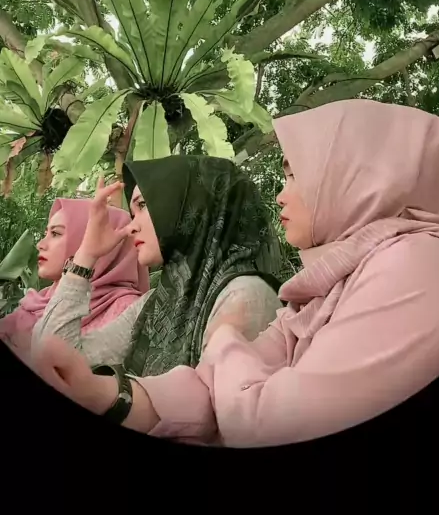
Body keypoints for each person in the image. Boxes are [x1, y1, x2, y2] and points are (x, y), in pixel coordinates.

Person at [33, 99, 439, 447]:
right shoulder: (325, 287)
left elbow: (272, 423)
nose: (281, 196)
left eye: (294, 174)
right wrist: (105, 395)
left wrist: (225, 340)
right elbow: (210, 390)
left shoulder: (418, 265)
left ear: (359, 175)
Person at [31, 156, 283, 373]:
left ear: (189, 206)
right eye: (133, 213)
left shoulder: (243, 296)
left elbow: (215, 403)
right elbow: (54, 360)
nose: (132, 226)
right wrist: (86, 254)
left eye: (142, 206)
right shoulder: (156, 303)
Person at [0, 197, 149, 357]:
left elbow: (55, 360)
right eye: (46, 233)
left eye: (55, 233)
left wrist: (84, 259)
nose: (40, 244)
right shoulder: (36, 302)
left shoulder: (126, 309)